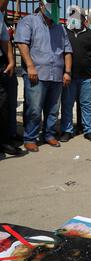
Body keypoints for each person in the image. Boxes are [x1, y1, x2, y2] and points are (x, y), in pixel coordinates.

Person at [15, 0, 73, 153]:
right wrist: (30, 66)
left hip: (57, 76)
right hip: (36, 74)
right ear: (41, 5)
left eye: (56, 6)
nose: (54, 9)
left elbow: (67, 51)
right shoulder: (29, 21)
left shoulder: (60, 28)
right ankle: (30, 138)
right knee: (34, 109)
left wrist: (67, 71)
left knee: (53, 109)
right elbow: (22, 44)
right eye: (51, 5)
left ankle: (49, 134)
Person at [60, 7, 91, 143]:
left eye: (77, 17)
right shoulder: (64, 33)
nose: (74, 19)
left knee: (87, 105)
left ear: (83, 19)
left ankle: (89, 130)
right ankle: (67, 130)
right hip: (69, 77)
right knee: (67, 104)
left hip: (86, 78)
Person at [0, 0, 24, 156]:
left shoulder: (4, 17)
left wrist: (11, 60)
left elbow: (5, 40)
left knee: (5, 103)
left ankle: (7, 136)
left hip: (3, 65)